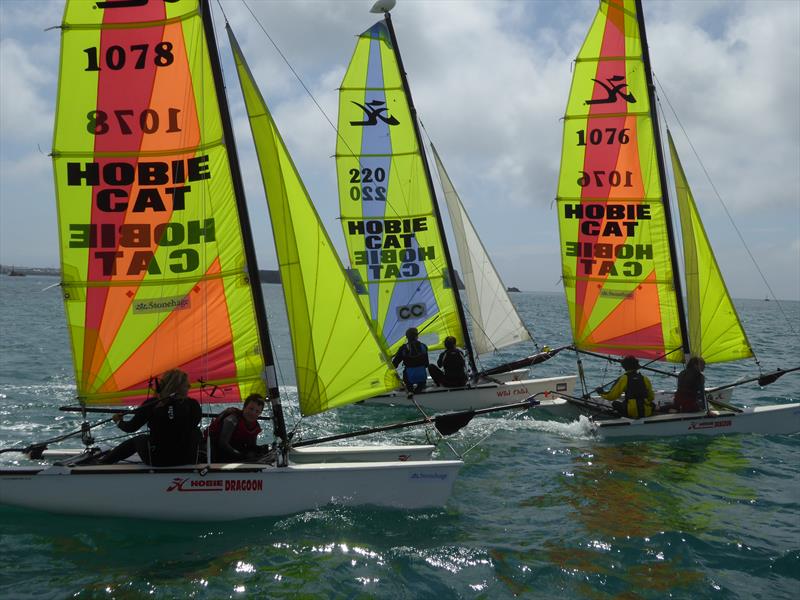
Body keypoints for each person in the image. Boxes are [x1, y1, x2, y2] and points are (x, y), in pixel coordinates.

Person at [98, 369, 202, 466]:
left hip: (158, 460)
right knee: (196, 432)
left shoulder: (152, 404)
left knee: (139, 439)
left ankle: (102, 463)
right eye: (186, 384)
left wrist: (118, 422)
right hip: (187, 459)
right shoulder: (194, 405)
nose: (189, 386)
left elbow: (130, 428)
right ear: (177, 387)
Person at [205, 394, 268, 462]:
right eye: (251, 409)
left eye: (257, 411)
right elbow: (223, 443)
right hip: (216, 448)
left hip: (234, 447)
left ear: (260, 413)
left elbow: (251, 446)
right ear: (244, 407)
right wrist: (241, 456)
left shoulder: (255, 427)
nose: (252, 413)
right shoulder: (232, 420)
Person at [392, 327, 429, 394]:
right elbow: (426, 364)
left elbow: (394, 364)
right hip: (422, 376)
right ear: (417, 336)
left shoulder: (403, 348)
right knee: (421, 376)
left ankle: (410, 390)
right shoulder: (423, 346)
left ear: (407, 337)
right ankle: (420, 387)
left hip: (409, 377)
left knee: (406, 374)